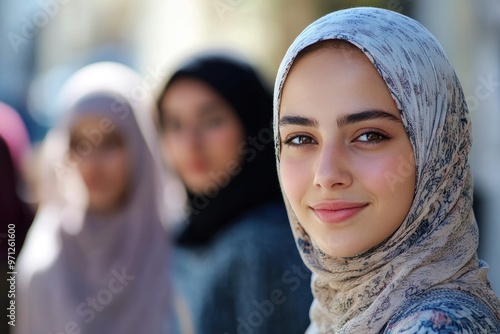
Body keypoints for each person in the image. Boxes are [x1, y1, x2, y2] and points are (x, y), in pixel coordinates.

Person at [273, 7, 500, 333]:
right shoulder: (336, 313)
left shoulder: (439, 327)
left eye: (369, 136)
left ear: (437, 148)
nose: (326, 175)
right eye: (301, 138)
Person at [16, 62, 180, 334]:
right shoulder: (44, 261)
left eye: (110, 143)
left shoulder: (179, 248)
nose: (92, 165)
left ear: (140, 146)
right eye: (79, 145)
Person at [157, 52, 313, 333]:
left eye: (211, 121)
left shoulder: (263, 241)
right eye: (175, 124)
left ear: (252, 123)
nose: (190, 143)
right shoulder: (191, 233)